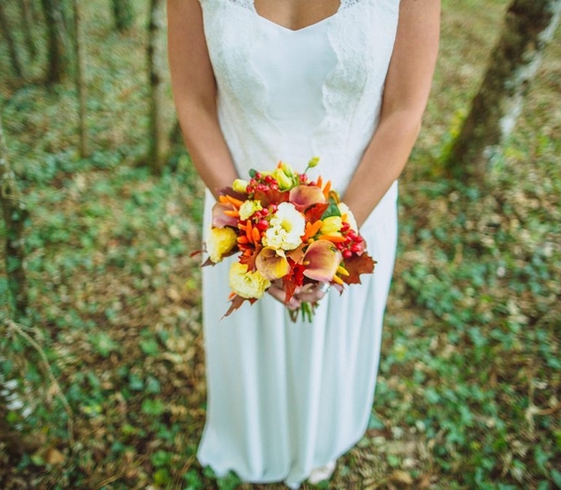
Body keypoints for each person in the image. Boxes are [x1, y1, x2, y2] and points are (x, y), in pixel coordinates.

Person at [168, 0, 440, 487]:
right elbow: (192, 100)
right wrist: (243, 223)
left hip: (360, 206)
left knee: (332, 352)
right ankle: (251, 438)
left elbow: (405, 110)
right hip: (236, 209)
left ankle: (323, 436)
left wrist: (338, 238)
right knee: (250, 351)